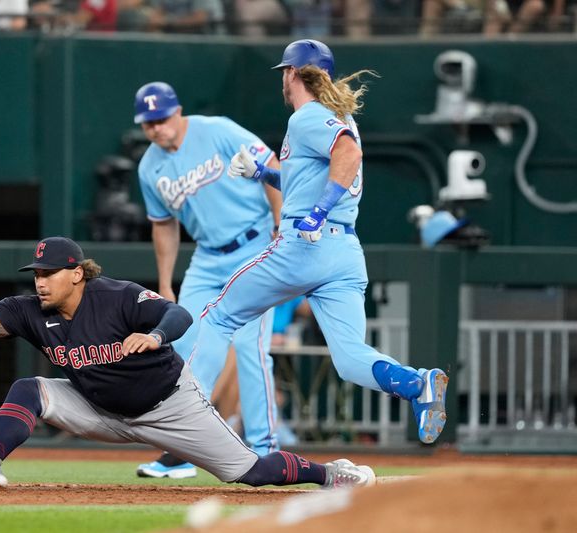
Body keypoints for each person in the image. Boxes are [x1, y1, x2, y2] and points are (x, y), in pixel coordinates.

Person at [0, 236, 374, 490]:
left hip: (170, 406)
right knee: (31, 389)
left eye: (48, 273)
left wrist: (154, 335)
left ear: (77, 273)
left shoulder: (117, 296)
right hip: (99, 408)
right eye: (36, 273)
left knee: (251, 472)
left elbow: (180, 313)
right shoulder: (28, 310)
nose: (40, 281)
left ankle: (328, 474)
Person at [190, 39, 449, 446]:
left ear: (292, 73)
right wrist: (263, 173)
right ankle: (418, 385)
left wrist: (318, 212)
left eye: (284, 73)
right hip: (343, 252)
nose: (283, 80)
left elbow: (348, 155)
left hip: (304, 245)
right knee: (349, 359)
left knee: (217, 315)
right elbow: (310, 178)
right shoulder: (335, 114)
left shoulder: (307, 116)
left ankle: (186, 419)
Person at [133, 81, 282, 478]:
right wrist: (165, 282)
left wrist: (282, 223)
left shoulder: (216, 130)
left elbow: (273, 167)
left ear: (177, 111)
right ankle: (186, 449)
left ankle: (268, 448)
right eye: (149, 123)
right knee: (184, 346)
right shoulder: (149, 167)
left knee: (252, 345)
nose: (157, 128)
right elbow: (163, 226)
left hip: (256, 244)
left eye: (162, 119)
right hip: (206, 256)